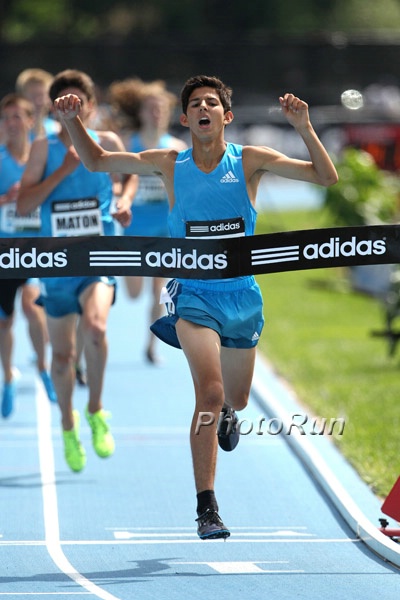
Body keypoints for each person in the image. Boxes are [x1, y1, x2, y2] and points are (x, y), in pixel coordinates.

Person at [53, 75, 338, 538]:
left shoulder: (250, 162)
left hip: (242, 297)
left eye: (213, 103)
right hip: (193, 295)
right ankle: (207, 508)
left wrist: (305, 127)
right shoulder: (170, 163)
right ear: (186, 119)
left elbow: (326, 177)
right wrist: (72, 123)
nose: (204, 108)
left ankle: (228, 413)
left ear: (226, 116)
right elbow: (98, 160)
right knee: (208, 392)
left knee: (235, 398)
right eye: (196, 104)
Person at [17, 69, 136, 472]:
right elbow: (23, 206)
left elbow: (129, 176)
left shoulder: (107, 143)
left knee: (97, 328)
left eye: (78, 103)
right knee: (64, 357)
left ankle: (96, 409)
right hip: (56, 265)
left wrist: (123, 201)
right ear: (54, 109)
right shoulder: (42, 148)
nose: (72, 109)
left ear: (91, 106)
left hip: (97, 256)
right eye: (64, 103)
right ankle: (67, 422)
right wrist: (64, 170)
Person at [109, 78, 187, 363]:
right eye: (150, 107)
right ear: (141, 113)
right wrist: (120, 194)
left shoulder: (176, 147)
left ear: (167, 112)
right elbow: (115, 179)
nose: (156, 113)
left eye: (161, 108)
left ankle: (151, 346)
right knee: (132, 293)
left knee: (159, 291)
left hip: (164, 229)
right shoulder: (130, 144)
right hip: (135, 228)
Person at [0, 92, 57, 418]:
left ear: (29, 121)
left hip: (35, 250)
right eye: (6, 118)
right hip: (4, 252)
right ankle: (8, 375)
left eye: (16, 117)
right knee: (5, 322)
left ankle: (44, 368)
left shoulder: (41, 160)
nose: (10, 123)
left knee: (33, 308)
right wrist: (7, 200)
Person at [15, 68, 60, 139]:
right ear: (21, 98)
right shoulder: (8, 132)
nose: (38, 102)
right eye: (33, 96)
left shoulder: (58, 130)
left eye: (42, 96)